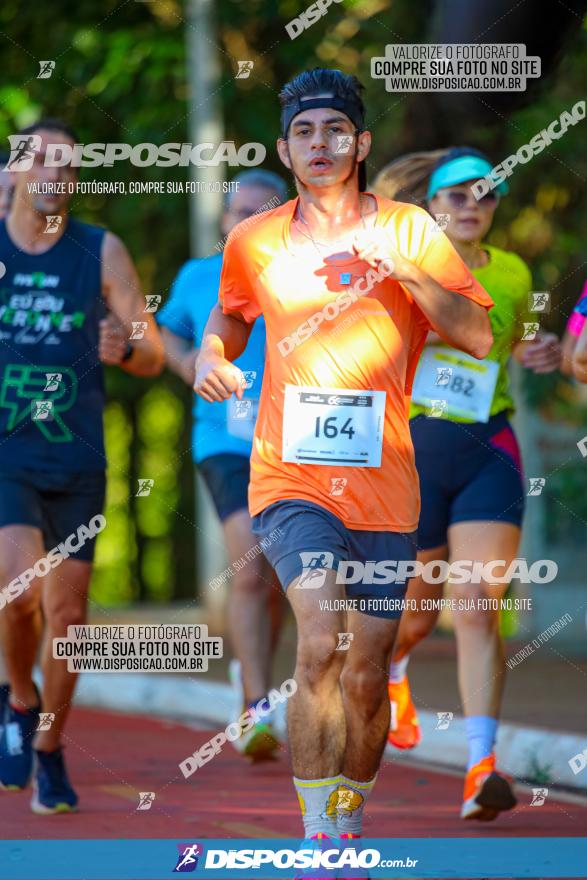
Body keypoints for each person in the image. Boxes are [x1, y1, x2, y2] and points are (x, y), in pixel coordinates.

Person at [194, 68, 493, 866]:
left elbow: (477, 337)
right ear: (287, 148)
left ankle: (346, 817)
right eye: (302, 132)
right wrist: (211, 355)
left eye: (333, 131)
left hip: (385, 486)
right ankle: (313, 830)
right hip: (288, 479)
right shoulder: (254, 238)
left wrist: (407, 273)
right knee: (319, 641)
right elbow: (228, 312)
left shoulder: (410, 229)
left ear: (358, 144)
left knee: (365, 670)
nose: (318, 144)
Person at [373, 147, 561, 820]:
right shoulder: (402, 263)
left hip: (489, 441)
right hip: (415, 450)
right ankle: (392, 674)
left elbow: (518, 343)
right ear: (431, 206)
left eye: (485, 194)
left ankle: (481, 767)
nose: (472, 205)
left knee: (479, 600)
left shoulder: (511, 271)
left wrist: (538, 351)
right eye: (457, 195)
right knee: (415, 616)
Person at [0, 119, 164, 813]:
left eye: (67, 166)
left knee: (67, 614)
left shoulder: (100, 250)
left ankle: (49, 746)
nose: (53, 175)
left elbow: (153, 354)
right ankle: (19, 696)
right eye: (40, 161)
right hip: (7, 450)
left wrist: (123, 347)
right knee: (19, 592)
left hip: (77, 455)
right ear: (14, 172)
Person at [158, 169, 289, 759]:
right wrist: (192, 365)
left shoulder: (302, 270)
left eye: (264, 212)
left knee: (283, 578)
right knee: (248, 562)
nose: (250, 222)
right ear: (224, 221)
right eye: (241, 213)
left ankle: (252, 676)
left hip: (295, 438)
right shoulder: (197, 275)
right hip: (227, 440)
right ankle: (259, 705)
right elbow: (164, 337)